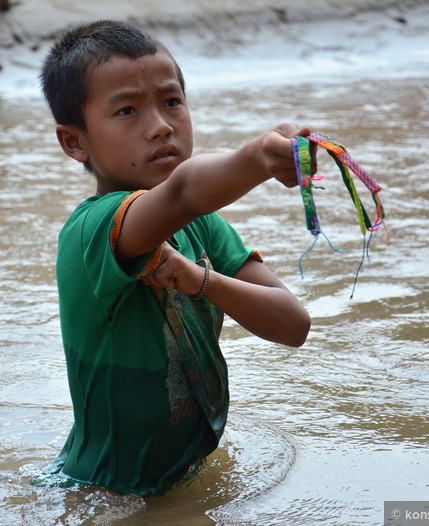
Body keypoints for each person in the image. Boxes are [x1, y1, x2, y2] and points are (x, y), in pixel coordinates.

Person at [36, 19, 312, 496]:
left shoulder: (203, 227)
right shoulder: (94, 229)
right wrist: (256, 160)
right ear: (74, 141)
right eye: (126, 110)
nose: (161, 125)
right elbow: (183, 192)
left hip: (182, 475)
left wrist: (201, 280)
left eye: (172, 101)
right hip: (104, 491)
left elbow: (293, 325)